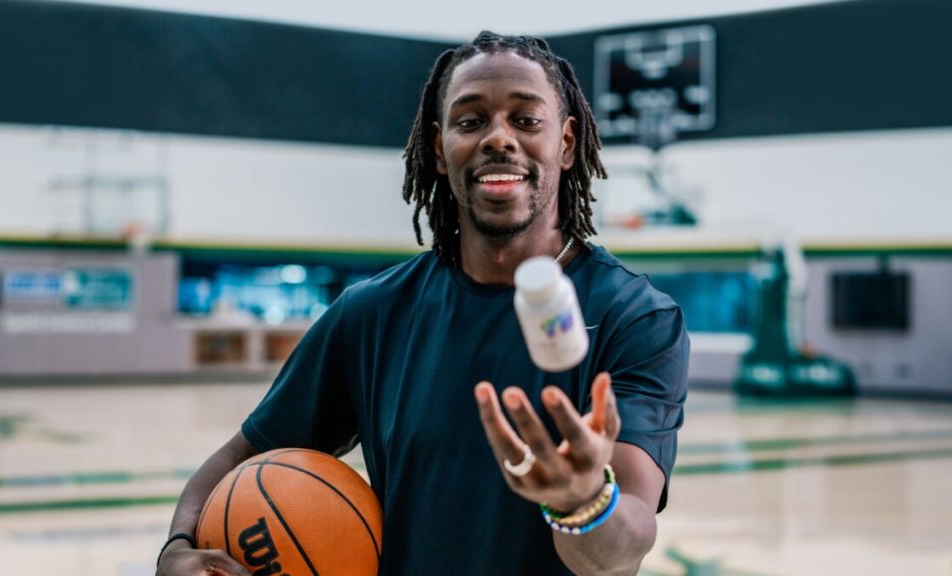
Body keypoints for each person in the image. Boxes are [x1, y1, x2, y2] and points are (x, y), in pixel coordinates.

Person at [157, 31, 688, 576]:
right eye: (470, 120)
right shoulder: (370, 314)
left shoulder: (636, 318)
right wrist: (176, 547)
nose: (498, 138)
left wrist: (583, 504)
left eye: (526, 120)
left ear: (568, 144)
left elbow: (622, 550)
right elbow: (238, 458)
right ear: (438, 149)